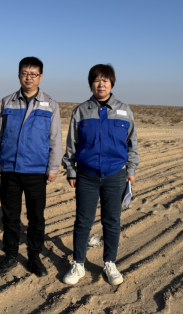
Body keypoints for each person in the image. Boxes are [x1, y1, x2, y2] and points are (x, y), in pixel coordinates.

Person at [62, 64, 140, 286]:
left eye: (105, 80)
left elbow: (132, 144)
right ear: (91, 84)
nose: (101, 84)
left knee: (112, 221)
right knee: (83, 221)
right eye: (96, 80)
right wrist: (71, 170)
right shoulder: (80, 111)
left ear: (111, 83)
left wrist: (131, 170)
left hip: (116, 175)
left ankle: (110, 263)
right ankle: (78, 264)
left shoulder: (125, 111)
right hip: (86, 175)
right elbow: (71, 144)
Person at [0, 57, 63, 278]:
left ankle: (34, 257)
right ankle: (10, 255)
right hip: (9, 170)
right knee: (10, 217)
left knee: (36, 218)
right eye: (24, 73)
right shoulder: (7, 101)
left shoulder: (50, 104)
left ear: (40, 77)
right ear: (19, 75)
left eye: (33, 74)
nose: (29, 77)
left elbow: (55, 139)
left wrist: (53, 167)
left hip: (36, 171)